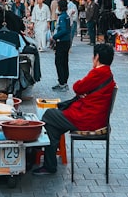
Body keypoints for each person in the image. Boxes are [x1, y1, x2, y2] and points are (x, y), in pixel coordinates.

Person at [32, 43, 117, 176]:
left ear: (97, 57)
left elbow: (77, 87)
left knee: (49, 114)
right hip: (93, 116)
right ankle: (49, 164)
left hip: (87, 119)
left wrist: (83, 90)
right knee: (52, 126)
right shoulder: (107, 73)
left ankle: (37, 148)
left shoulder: (98, 73)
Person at [50, 0, 76, 91]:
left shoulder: (62, 17)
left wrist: (54, 37)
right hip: (66, 42)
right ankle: (63, 82)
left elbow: (64, 30)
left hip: (62, 42)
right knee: (64, 62)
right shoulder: (67, 16)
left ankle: (62, 83)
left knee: (59, 62)